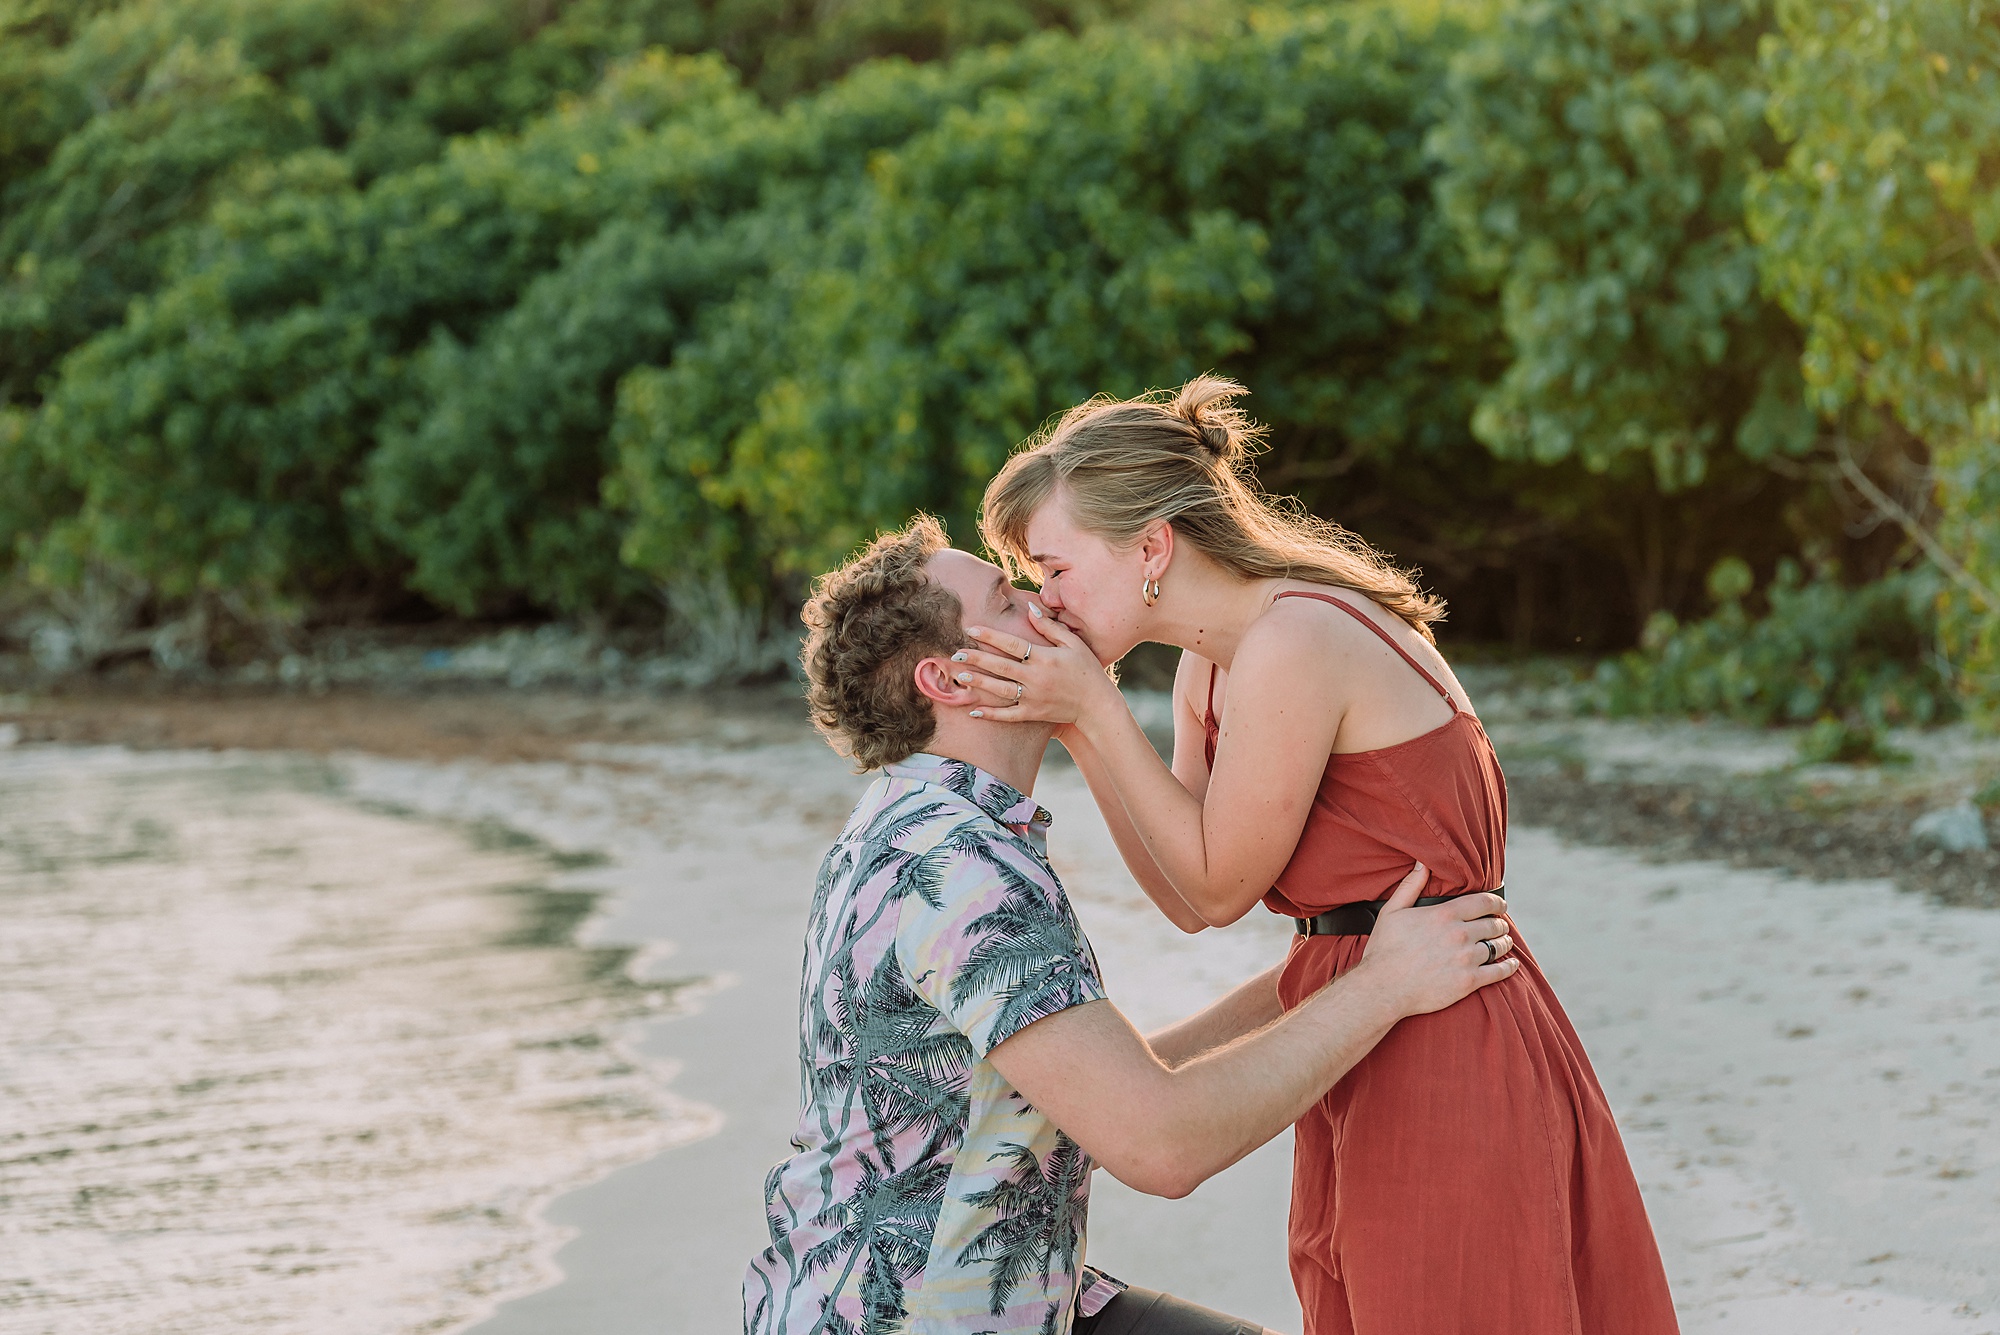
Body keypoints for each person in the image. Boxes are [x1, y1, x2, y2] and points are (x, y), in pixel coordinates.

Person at [953, 377, 1680, 1335]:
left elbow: (1219, 883)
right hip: (1361, 1013)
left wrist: (1091, 707)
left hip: (1443, 1027)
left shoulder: (1294, 638)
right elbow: (1186, 896)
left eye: (1052, 567)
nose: (1046, 600)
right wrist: (1084, 732)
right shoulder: (1212, 664)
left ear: (1152, 547)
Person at [745, 516, 1519, 1335]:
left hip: (1000, 1290)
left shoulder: (917, 821)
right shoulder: (959, 869)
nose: (1043, 602)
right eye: (1007, 600)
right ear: (947, 679)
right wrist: (1383, 989)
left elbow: (1102, 1079)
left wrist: (1337, 964)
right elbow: (1160, 1143)